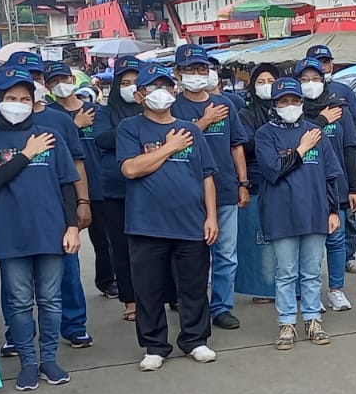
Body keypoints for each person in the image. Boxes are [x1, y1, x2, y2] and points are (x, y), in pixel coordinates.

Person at [0, 64, 81, 391]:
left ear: (33, 100)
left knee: (50, 300)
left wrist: (72, 226)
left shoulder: (52, 137)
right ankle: (28, 362)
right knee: (19, 302)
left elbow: (66, 185)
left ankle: (49, 359)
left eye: (23, 97)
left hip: (50, 232)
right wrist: (28, 153)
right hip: (9, 233)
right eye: (10, 97)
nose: (17, 103)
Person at [117, 64, 220, 372]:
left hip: (190, 222)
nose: (161, 92)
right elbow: (131, 169)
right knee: (148, 288)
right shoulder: (130, 128)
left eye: (166, 86)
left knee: (193, 285)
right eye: (152, 87)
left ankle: (195, 339)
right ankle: (154, 345)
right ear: (140, 95)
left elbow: (207, 176)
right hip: (146, 224)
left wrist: (211, 217)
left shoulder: (190, 130)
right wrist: (170, 147)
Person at [3, 53, 94, 352]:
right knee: (16, 282)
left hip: (56, 211)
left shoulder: (58, 121)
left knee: (66, 272)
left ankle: (74, 325)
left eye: (35, 77)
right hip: (15, 213)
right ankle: (16, 334)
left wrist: (83, 201)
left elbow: (76, 166)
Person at [255, 77, 345, 350]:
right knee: (286, 272)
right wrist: (302, 149)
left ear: (302, 103)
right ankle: (286, 323)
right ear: (275, 104)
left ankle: (313, 319)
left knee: (312, 271)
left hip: (315, 212)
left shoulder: (316, 133)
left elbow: (331, 174)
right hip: (281, 213)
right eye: (284, 101)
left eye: (295, 101)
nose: (290, 106)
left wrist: (333, 210)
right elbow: (272, 170)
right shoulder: (265, 134)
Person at [172, 52, 250, 331]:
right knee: (191, 255)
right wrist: (203, 122)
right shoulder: (173, 108)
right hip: (187, 193)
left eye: (202, 68)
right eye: (191, 69)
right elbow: (172, 144)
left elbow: (236, 145)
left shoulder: (225, 104)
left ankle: (221, 307)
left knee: (227, 255)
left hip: (226, 190)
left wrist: (243, 183)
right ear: (178, 73)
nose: (197, 74)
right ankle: (192, 305)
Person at [296, 58, 356, 312]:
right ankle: (307, 292)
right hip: (304, 186)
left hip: (336, 186)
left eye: (315, 78)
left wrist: (354, 189)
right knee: (307, 241)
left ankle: (336, 290)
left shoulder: (339, 110)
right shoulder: (293, 111)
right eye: (304, 80)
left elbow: (349, 150)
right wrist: (321, 121)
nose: (310, 84)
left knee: (336, 240)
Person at [48, 62, 116, 300]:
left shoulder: (97, 111)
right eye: (54, 82)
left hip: (97, 182)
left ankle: (107, 280)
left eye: (64, 79)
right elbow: (53, 147)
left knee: (105, 238)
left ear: (72, 80)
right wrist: (75, 126)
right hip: (64, 186)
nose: (60, 85)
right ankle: (64, 292)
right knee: (66, 240)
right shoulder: (50, 115)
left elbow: (104, 141)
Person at [308, 43, 356, 276]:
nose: (322, 68)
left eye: (325, 63)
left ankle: (348, 257)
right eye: (316, 64)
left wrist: (343, 129)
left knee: (346, 220)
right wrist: (323, 122)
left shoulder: (343, 92)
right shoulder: (297, 102)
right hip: (311, 173)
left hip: (340, 170)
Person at [94, 57, 143, 323]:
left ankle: (169, 295)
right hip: (116, 191)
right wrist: (137, 130)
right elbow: (102, 138)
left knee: (159, 247)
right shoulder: (105, 112)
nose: (130, 87)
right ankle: (131, 300)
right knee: (122, 249)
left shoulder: (154, 108)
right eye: (124, 82)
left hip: (151, 190)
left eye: (135, 82)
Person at [235, 64, 281, 304]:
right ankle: (262, 289)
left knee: (284, 237)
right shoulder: (246, 114)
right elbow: (246, 145)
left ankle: (287, 285)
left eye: (271, 80)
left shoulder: (286, 108)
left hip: (285, 181)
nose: (266, 86)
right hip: (257, 181)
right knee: (259, 239)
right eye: (260, 82)